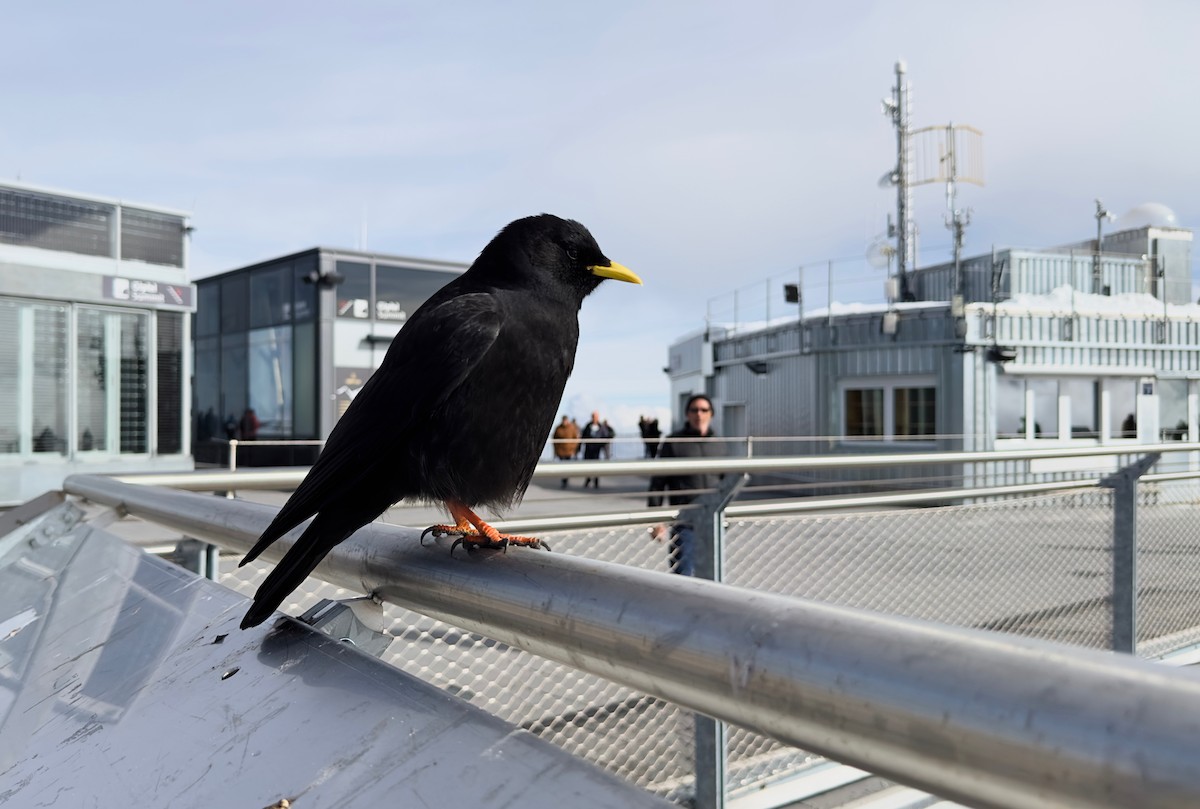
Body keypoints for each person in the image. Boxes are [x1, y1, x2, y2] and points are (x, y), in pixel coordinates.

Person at [647, 394, 725, 575]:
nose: (699, 414)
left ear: (711, 414)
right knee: (683, 576)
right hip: (685, 523)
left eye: (704, 410)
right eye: (694, 410)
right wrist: (655, 520)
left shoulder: (719, 445)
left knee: (713, 578)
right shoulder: (674, 443)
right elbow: (658, 483)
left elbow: (725, 481)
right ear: (687, 414)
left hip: (713, 523)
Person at [552, 414, 581, 488]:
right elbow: (554, 438)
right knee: (562, 466)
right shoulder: (558, 428)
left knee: (567, 466)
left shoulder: (572, 428)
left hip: (569, 451)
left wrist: (573, 447)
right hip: (561, 451)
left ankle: (566, 479)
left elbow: (576, 438)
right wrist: (556, 449)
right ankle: (564, 480)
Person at [580, 411, 605, 488]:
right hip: (588, 449)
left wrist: (601, 444)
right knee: (587, 465)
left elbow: (607, 435)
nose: (594, 418)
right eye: (593, 416)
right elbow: (583, 436)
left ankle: (596, 481)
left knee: (596, 466)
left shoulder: (601, 427)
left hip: (596, 450)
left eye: (596, 417)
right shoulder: (588, 426)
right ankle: (588, 479)